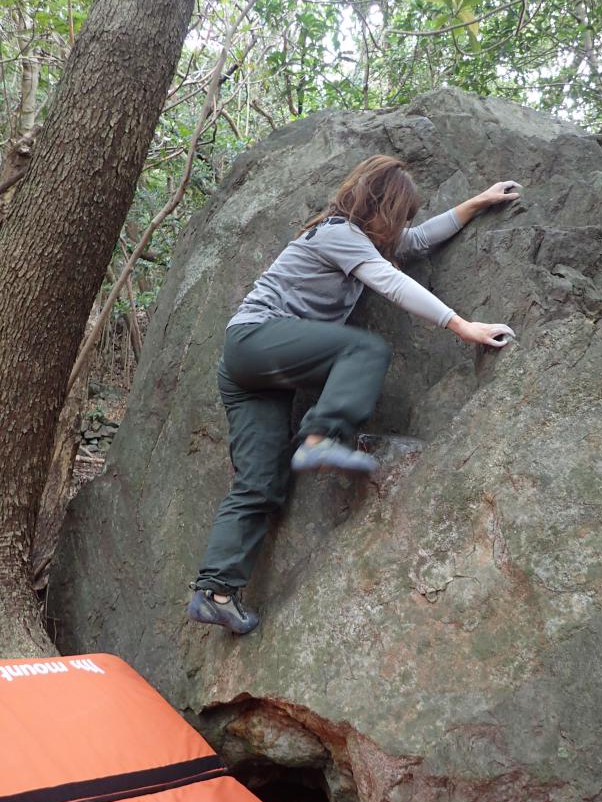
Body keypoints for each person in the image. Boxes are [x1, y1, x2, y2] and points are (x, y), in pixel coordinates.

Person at [187, 155, 519, 635]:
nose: (401, 227)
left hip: (253, 369)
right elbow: (391, 282)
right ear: (381, 206)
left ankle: (215, 592)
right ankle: (322, 437)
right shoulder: (337, 232)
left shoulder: (360, 241)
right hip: (255, 340)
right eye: (400, 215)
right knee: (365, 350)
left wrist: (479, 202)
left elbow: (417, 241)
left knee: (261, 482)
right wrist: (462, 325)